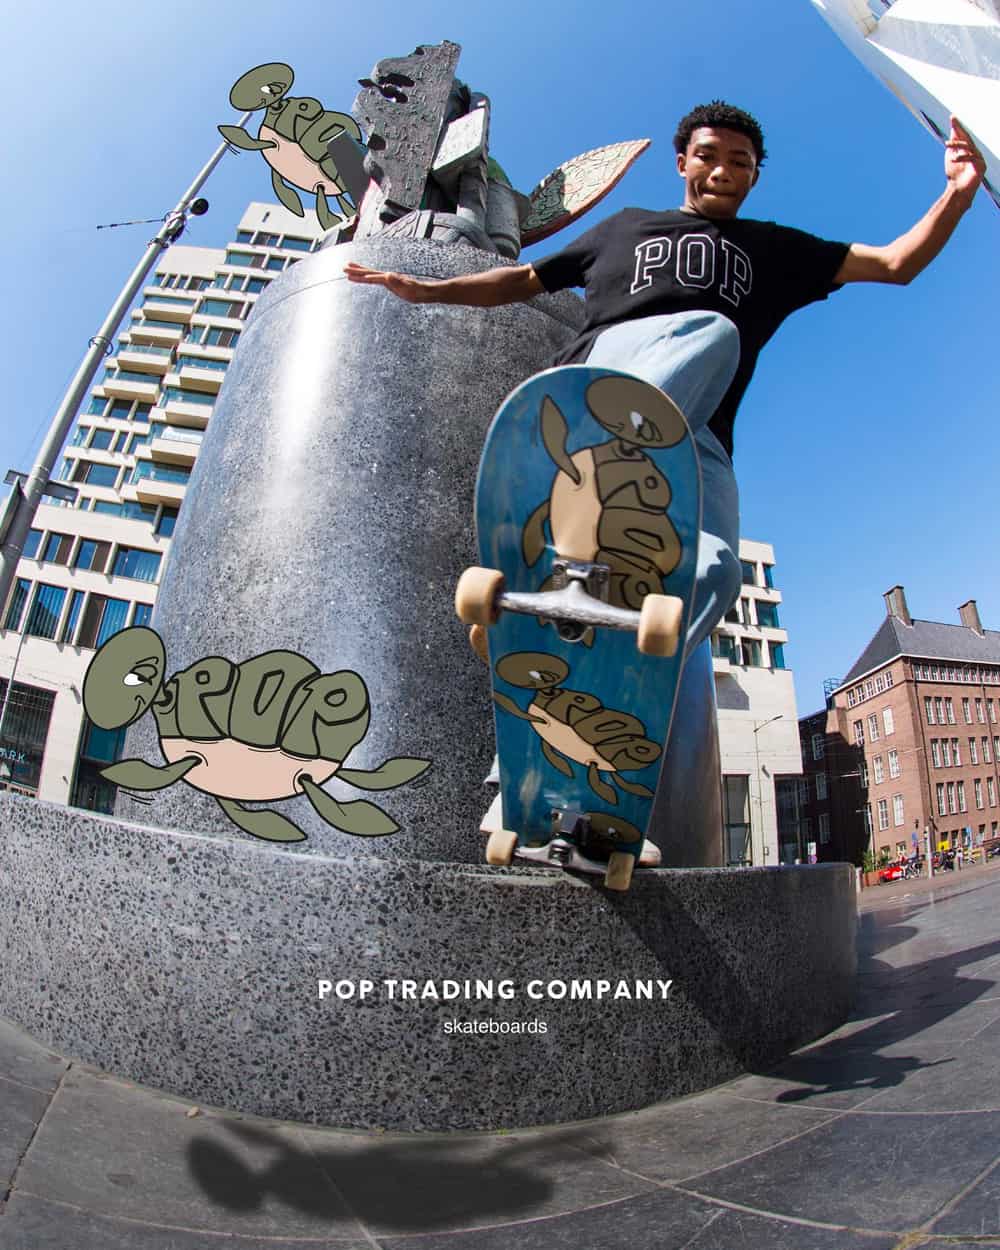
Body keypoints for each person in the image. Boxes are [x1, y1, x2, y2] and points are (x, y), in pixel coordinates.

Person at [345, 100, 984, 863]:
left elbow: (896, 263)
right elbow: (517, 279)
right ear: (683, 161)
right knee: (712, 332)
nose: (722, 171)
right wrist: (428, 290)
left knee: (709, 573)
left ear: (754, 177)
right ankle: (589, 498)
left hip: (698, 440)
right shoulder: (625, 228)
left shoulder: (773, 248)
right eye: (709, 155)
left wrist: (956, 190)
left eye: (740, 163)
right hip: (600, 397)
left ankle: (569, 788)